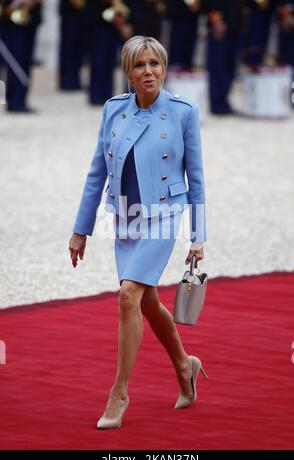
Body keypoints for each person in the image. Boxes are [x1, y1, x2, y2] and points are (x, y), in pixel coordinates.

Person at [69, 35, 208, 430]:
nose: (149, 72)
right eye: (140, 65)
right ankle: (185, 366)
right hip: (126, 216)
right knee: (146, 302)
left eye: (155, 64)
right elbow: (97, 172)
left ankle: (120, 392)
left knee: (128, 295)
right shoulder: (114, 110)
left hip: (165, 214)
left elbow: (195, 179)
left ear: (164, 68)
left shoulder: (183, 112)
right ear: (128, 72)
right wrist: (81, 229)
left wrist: (198, 235)